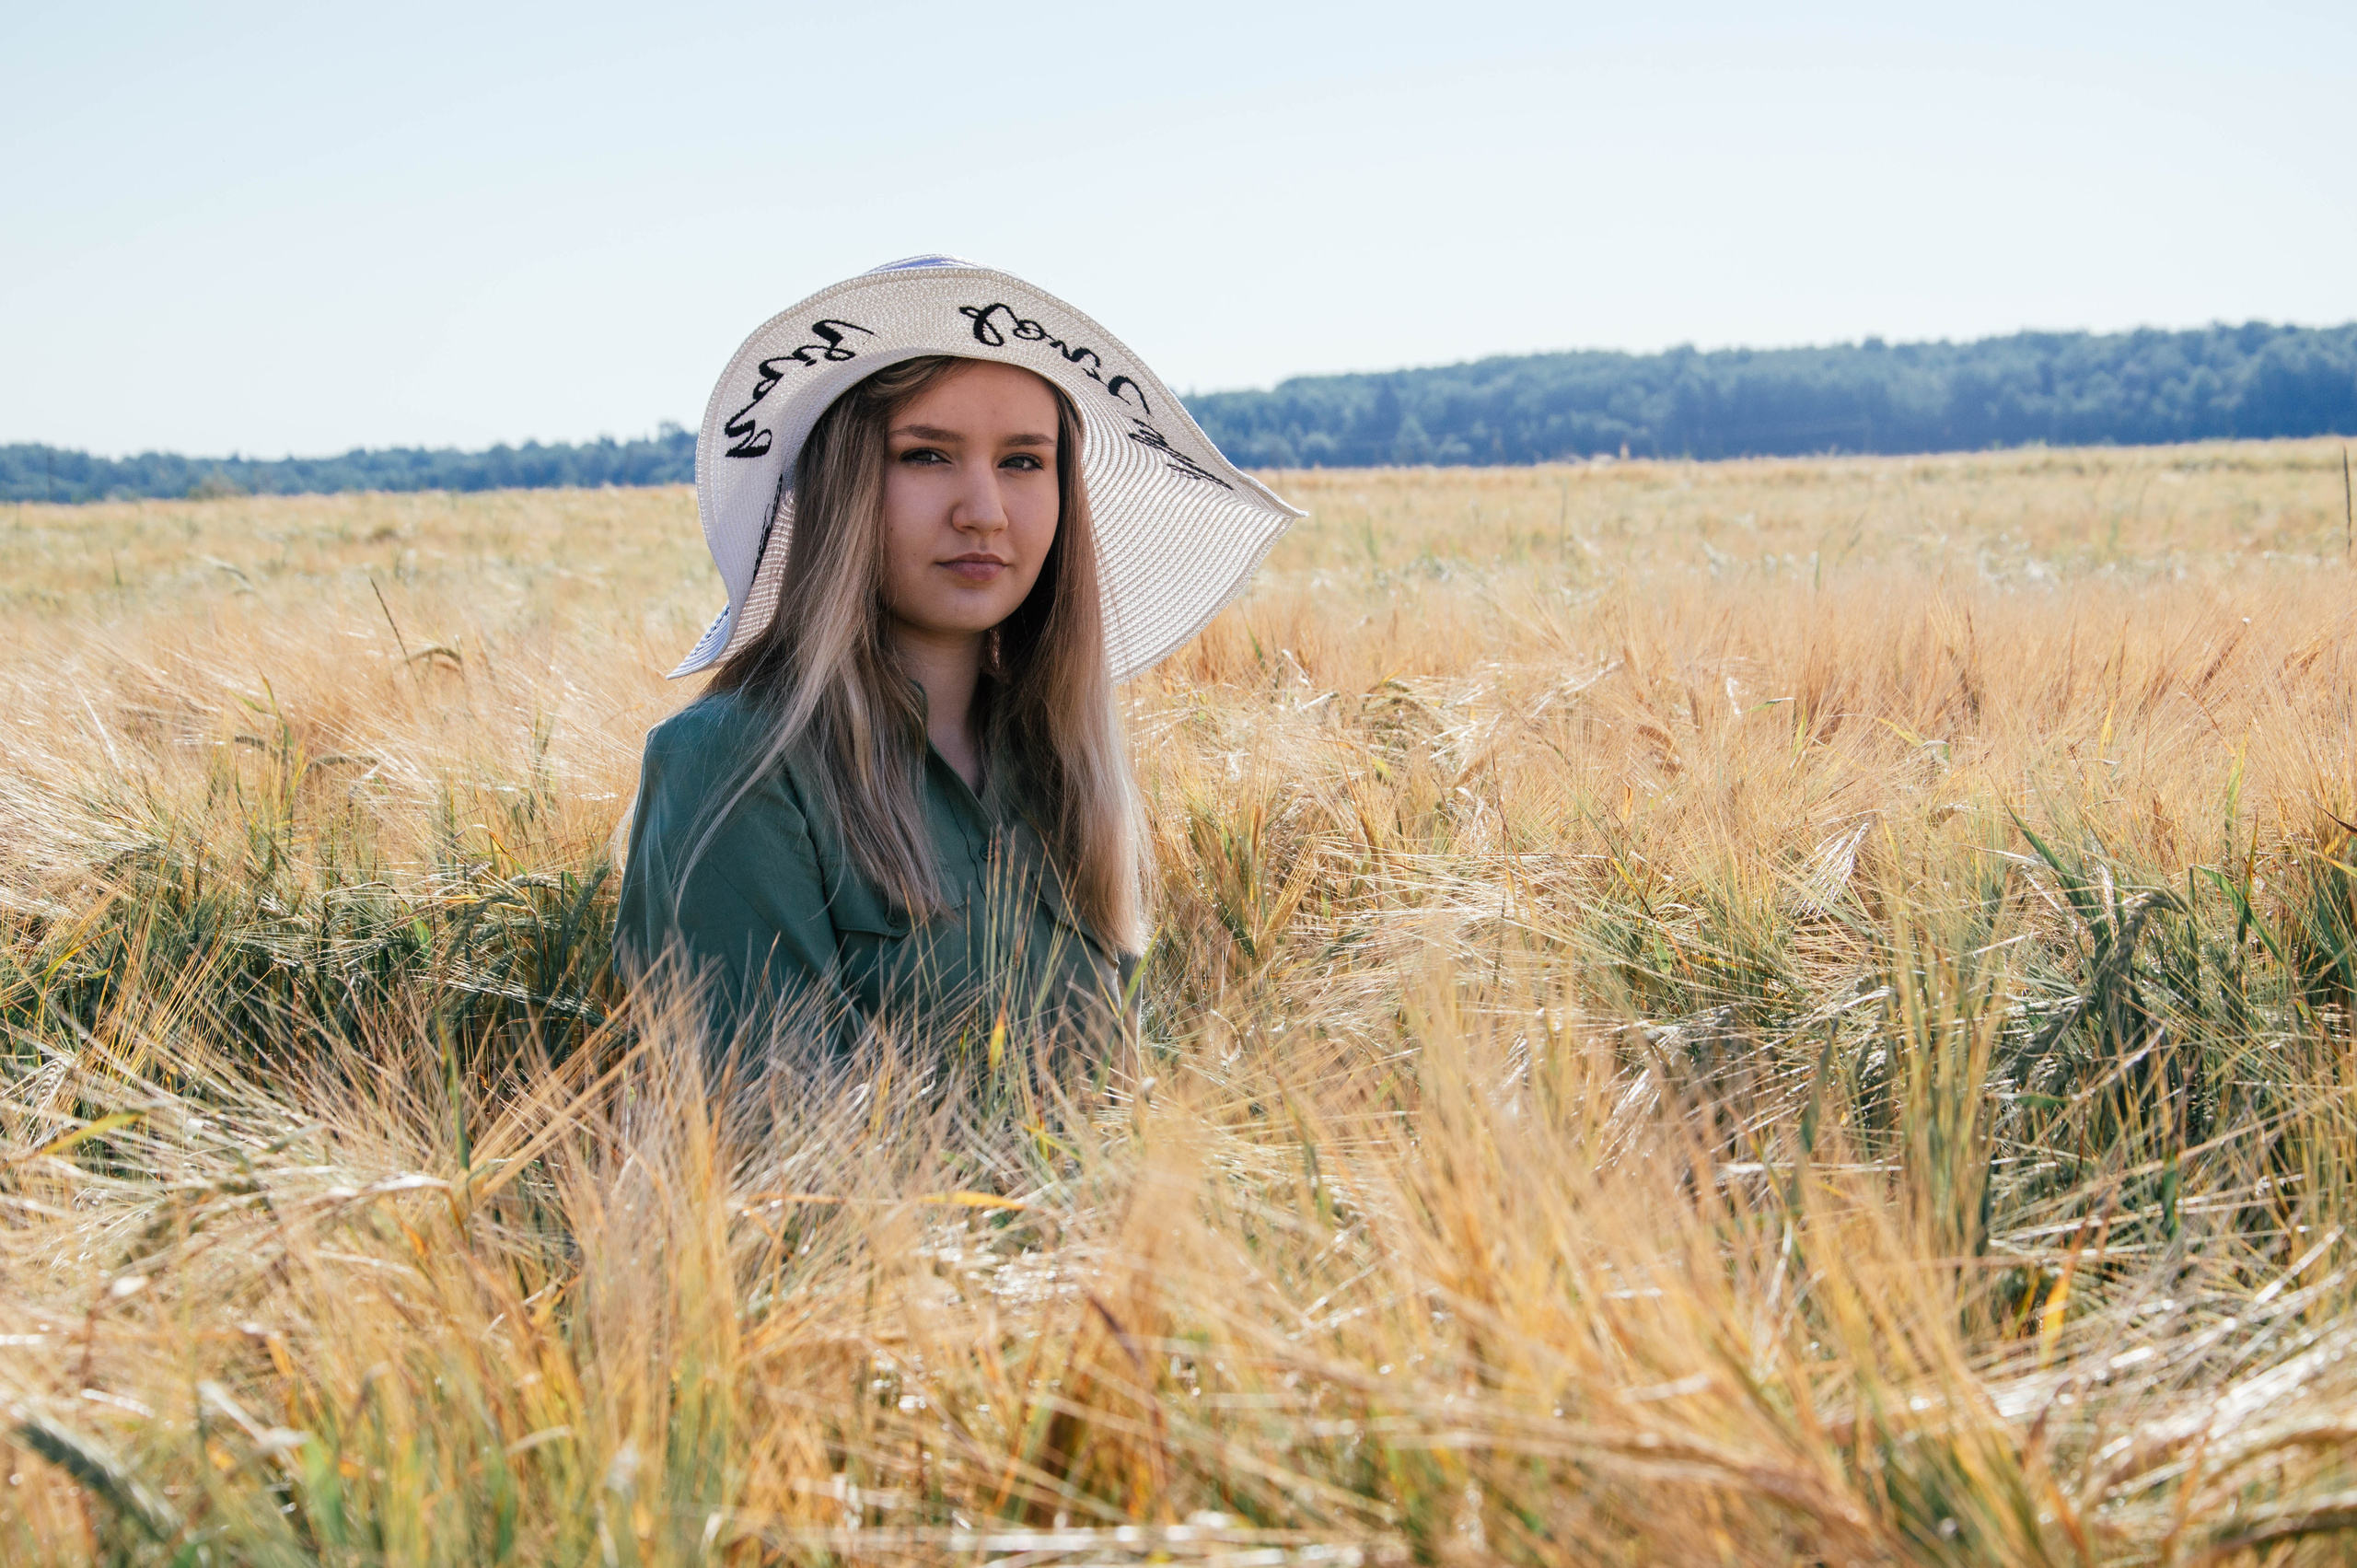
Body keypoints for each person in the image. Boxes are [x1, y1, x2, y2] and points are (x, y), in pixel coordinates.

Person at [615, 256, 1301, 1068]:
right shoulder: (737, 763)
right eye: (927, 455)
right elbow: (765, 1139)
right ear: (841, 486)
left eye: (1023, 461)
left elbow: (1124, 1106)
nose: (984, 512)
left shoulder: (1065, 769)